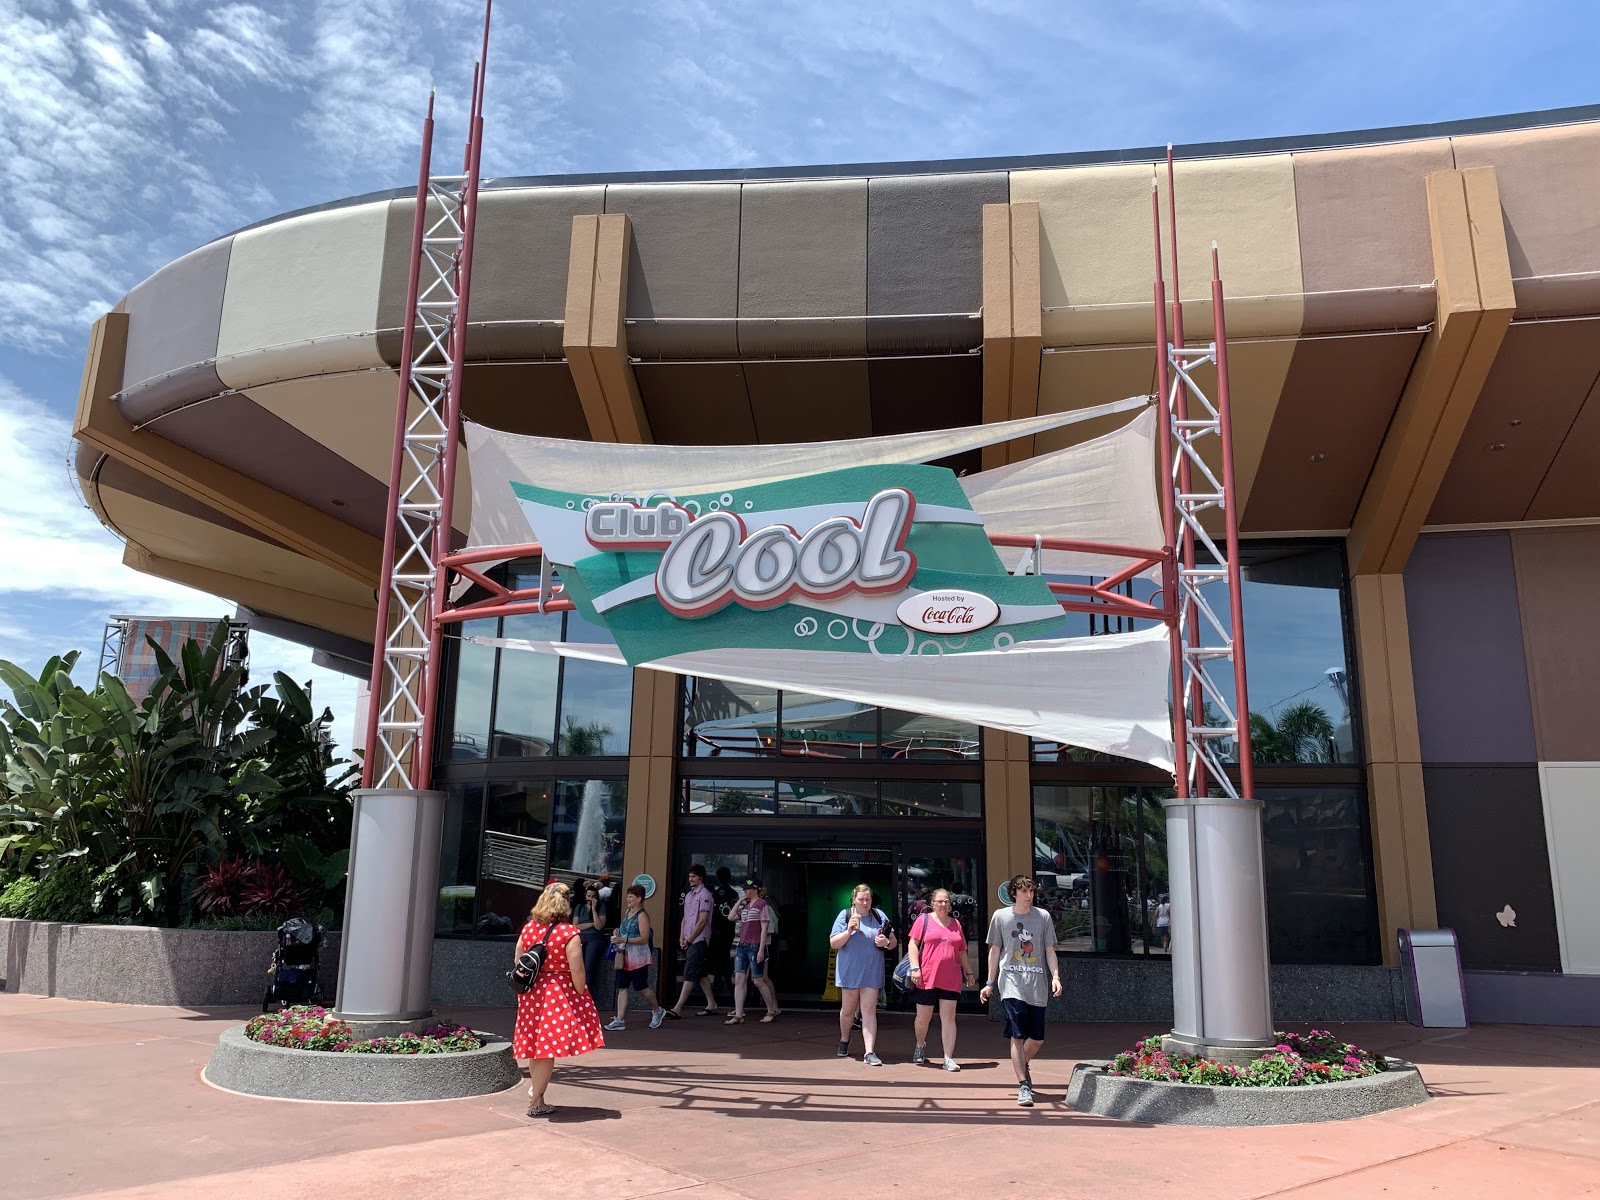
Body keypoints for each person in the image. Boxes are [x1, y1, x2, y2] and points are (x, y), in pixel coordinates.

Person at [511, 881, 604, 1118]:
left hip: (531, 993)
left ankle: (538, 1094)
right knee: (547, 1048)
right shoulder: (568, 932)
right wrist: (581, 993)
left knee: (536, 1047)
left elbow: (518, 960)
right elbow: (578, 970)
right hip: (556, 993)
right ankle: (536, 1102)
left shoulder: (529, 928)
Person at [980, 874, 1061, 1107]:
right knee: (1017, 1035)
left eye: (1031, 891)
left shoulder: (1043, 917)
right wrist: (989, 982)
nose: (1029, 895)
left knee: (1037, 1038)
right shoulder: (1001, 917)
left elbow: (1049, 950)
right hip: (1011, 983)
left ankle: (1022, 1063)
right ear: (1013, 893)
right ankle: (1023, 1085)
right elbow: (995, 950)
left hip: (1037, 985)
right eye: (1024, 891)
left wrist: (1056, 977)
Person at [907, 887, 975, 1071]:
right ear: (933, 904)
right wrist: (915, 968)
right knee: (923, 1018)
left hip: (951, 978)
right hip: (927, 976)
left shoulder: (956, 924)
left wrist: (969, 972)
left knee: (949, 1018)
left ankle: (948, 1058)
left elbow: (961, 951)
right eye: (940, 901)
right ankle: (920, 1044)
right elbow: (913, 944)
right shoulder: (924, 920)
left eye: (946, 901)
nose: (943, 904)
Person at [828, 883, 897, 1065]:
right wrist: (848, 931)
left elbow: (893, 942)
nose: (865, 903)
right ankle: (844, 1039)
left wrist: (885, 943)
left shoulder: (879, 916)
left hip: (872, 971)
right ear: (854, 900)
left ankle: (869, 1051)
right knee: (848, 1011)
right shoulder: (845, 916)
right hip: (850, 971)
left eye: (868, 899)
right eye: (861, 899)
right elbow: (834, 943)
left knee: (869, 1010)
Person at [603, 884, 668, 1031]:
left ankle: (657, 1010)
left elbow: (644, 938)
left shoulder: (642, 915)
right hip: (624, 955)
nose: (628, 899)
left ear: (639, 898)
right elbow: (625, 930)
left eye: (631, 897)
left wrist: (624, 939)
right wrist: (618, 932)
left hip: (638, 958)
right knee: (622, 987)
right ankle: (619, 1019)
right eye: (627, 896)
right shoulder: (628, 912)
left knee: (641, 987)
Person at [726, 876, 781, 1024]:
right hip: (742, 945)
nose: (745, 891)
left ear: (755, 890)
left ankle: (771, 1010)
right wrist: (739, 901)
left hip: (754, 945)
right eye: (745, 889)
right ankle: (738, 1014)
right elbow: (731, 917)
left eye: (748, 889)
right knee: (739, 978)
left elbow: (764, 929)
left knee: (758, 980)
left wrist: (761, 949)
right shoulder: (745, 907)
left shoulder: (762, 905)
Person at [667, 864, 718, 1019]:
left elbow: (702, 920)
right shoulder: (689, 896)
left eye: (693, 876)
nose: (690, 879)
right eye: (689, 876)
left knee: (689, 972)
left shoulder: (705, 895)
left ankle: (678, 1008)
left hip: (699, 940)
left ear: (700, 878)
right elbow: (685, 918)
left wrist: (689, 939)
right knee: (700, 973)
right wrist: (682, 937)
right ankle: (712, 1004)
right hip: (689, 939)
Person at [572, 880, 609, 995]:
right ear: (585, 896)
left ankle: (585, 994)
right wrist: (591, 924)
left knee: (589, 967)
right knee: (578, 966)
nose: (590, 899)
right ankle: (577, 992)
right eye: (588, 896)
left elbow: (599, 926)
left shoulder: (601, 907)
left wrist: (593, 909)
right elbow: (575, 926)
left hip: (595, 938)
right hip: (581, 937)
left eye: (593, 896)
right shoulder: (580, 907)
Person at [710, 866, 739, 1002]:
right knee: (724, 956)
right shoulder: (733, 893)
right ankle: (724, 981)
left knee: (720, 957)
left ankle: (720, 982)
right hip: (728, 930)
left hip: (717, 931)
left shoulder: (715, 894)